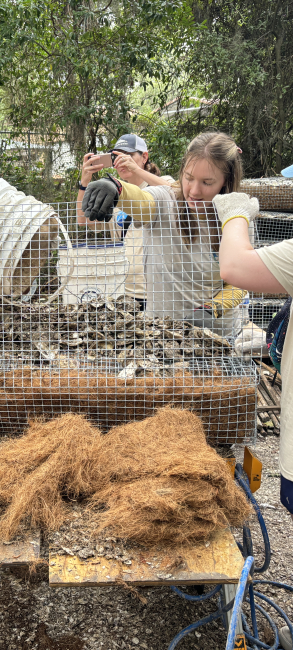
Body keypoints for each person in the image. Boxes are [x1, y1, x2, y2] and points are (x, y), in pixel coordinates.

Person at [216, 162, 293, 649]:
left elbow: (236, 271)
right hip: (186, 328)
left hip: (222, 338)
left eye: (211, 183)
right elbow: (158, 192)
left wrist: (234, 211)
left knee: (238, 449)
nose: (198, 190)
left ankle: (239, 513)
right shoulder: (173, 198)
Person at [81, 132, 248, 336]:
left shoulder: (236, 216)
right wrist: (117, 189)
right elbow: (142, 200)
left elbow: (240, 281)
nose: (194, 191)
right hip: (162, 333)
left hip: (217, 335)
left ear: (226, 182)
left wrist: (213, 308)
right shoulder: (164, 197)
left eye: (207, 182)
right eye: (188, 178)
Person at [77, 134, 174, 309]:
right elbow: (85, 222)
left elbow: (178, 194)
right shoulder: (113, 191)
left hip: (157, 291)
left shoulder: (162, 183)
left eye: (127, 156)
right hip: (123, 291)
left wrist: (136, 170)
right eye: (116, 157)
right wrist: (84, 182)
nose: (121, 162)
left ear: (144, 157)